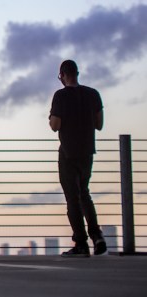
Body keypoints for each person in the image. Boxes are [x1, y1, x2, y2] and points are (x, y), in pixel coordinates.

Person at [49, 59, 106, 257]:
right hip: (87, 151)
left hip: (68, 152)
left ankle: (81, 243)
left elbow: (55, 125)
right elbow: (99, 124)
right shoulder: (93, 94)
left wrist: (53, 118)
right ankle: (97, 236)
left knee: (72, 199)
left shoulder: (61, 96)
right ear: (77, 73)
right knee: (84, 194)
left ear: (62, 76)